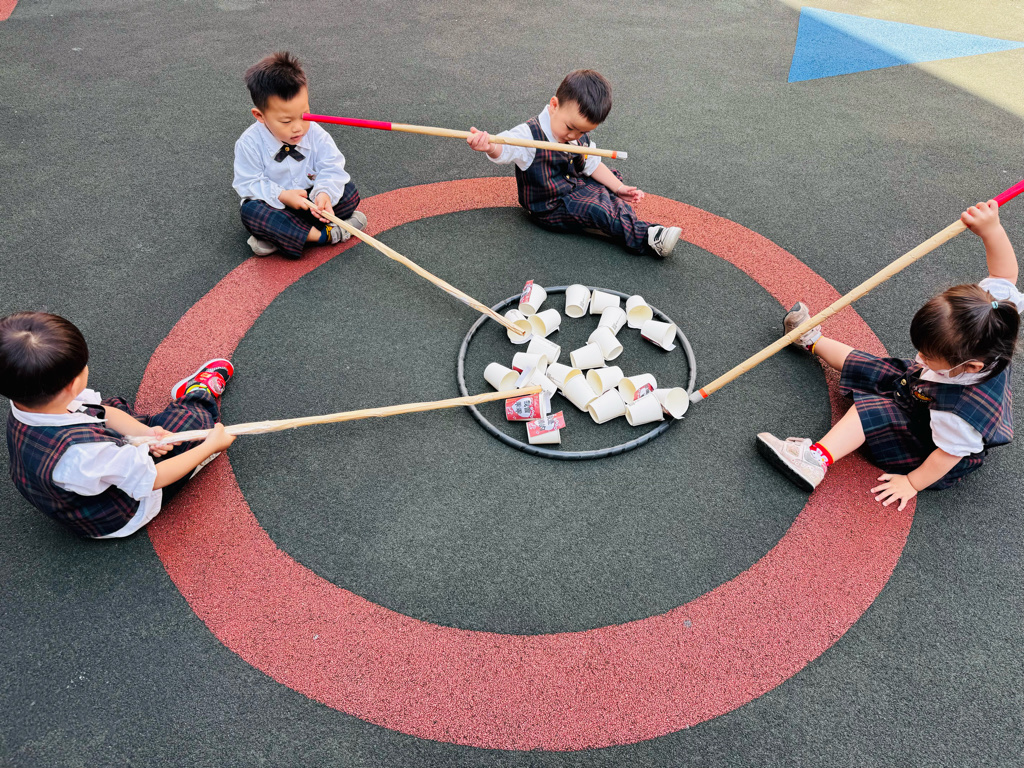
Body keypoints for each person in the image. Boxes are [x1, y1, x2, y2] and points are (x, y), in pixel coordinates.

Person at [756, 200, 1021, 510]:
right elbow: (1005, 275)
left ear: (970, 366)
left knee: (871, 410)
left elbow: (947, 456)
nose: (919, 357)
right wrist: (992, 230)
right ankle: (810, 339)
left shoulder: (959, 417)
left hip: (923, 446)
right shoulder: (993, 314)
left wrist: (912, 482)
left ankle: (815, 460)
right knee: (879, 368)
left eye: (928, 356)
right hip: (926, 395)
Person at [1, 312, 236, 538]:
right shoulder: (82, 454)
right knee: (193, 424)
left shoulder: (26, 399)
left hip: (72, 491)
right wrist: (210, 446)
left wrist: (146, 434)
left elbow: (103, 413)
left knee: (113, 410)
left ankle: (149, 437)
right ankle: (198, 393)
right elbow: (154, 478)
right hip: (119, 513)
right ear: (72, 385)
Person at [466, 69, 682, 258]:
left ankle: (617, 215)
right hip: (550, 206)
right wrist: (489, 146)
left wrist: (618, 188)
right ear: (554, 105)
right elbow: (504, 148)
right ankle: (649, 237)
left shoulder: (576, 135)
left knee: (609, 181)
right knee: (597, 208)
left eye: (582, 131)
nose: (573, 136)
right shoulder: (528, 135)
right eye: (570, 128)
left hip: (575, 185)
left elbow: (592, 164)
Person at [234, 51, 366, 259]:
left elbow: (331, 166)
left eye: (304, 115)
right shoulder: (249, 143)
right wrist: (282, 195)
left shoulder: (316, 133)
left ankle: (284, 236)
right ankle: (324, 236)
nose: (298, 127)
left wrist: (323, 194)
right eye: (286, 121)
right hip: (277, 205)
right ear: (260, 115)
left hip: (311, 201)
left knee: (349, 192)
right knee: (252, 213)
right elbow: (247, 182)